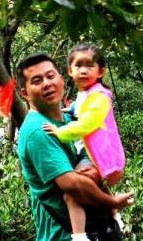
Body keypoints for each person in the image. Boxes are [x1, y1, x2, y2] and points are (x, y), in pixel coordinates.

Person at [16, 53, 132, 241]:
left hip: (101, 230)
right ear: (25, 93)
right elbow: (72, 185)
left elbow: (105, 155)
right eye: (37, 81)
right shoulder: (37, 130)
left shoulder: (71, 120)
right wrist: (112, 201)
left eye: (50, 76)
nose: (47, 84)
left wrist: (101, 170)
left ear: (62, 80)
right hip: (64, 235)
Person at [42, 43, 127, 238]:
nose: (83, 70)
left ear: (100, 71)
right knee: (97, 186)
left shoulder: (100, 96)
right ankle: (116, 216)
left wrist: (60, 132)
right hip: (90, 153)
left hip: (96, 156)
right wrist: (70, 110)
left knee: (72, 194)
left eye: (90, 65)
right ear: (70, 71)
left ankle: (79, 236)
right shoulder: (87, 93)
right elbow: (81, 106)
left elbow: (87, 124)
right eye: (78, 65)